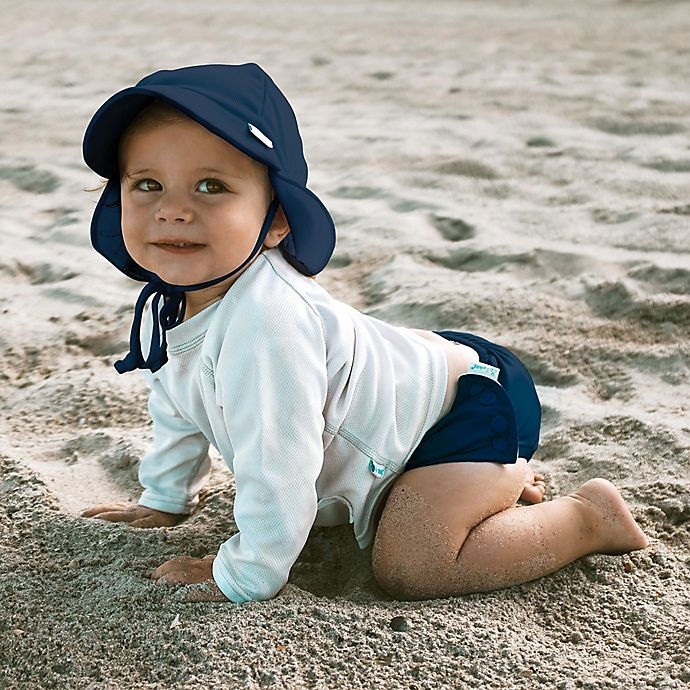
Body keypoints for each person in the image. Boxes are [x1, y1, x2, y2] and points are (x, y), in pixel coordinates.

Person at [80, 63, 649, 603]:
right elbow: (178, 399)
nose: (172, 210)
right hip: (407, 386)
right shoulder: (171, 303)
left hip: (457, 414)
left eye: (210, 187)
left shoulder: (268, 324)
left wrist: (246, 572)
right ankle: (482, 489)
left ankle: (585, 516)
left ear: (277, 218)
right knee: (406, 514)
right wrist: (166, 498)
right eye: (148, 184)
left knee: (412, 565)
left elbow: (282, 462)